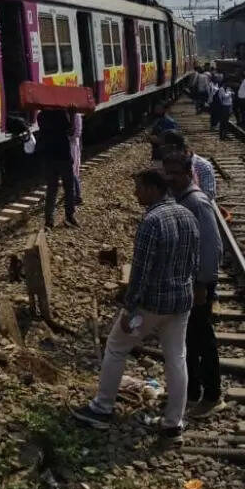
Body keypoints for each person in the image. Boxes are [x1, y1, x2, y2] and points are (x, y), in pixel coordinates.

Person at [71, 169, 198, 441]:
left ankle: (102, 408)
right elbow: (193, 263)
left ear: (154, 189)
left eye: (139, 187)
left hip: (152, 303)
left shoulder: (152, 221)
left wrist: (130, 309)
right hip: (180, 301)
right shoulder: (188, 215)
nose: (135, 193)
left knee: (116, 347)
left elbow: (140, 270)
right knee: (177, 356)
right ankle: (173, 422)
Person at [162, 153, 225, 417]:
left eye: (176, 173)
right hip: (187, 282)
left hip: (199, 284)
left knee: (203, 337)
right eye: (168, 173)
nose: (171, 178)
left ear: (189, 172)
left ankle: (212, 395)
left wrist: (202, 284)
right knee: (190, 338)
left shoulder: (197, 203)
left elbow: (213, 248)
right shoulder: (181, 199)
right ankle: (192, 391)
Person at [35, 108, 79, 229]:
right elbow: (70, 132)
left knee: (51, 190)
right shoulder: (61, 113)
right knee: (69, 188)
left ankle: (49, 221)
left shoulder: (41, 116)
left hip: (49, 157)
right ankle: (69, 216)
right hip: (63, 156)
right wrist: (72, 114)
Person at [160, 131, 217, 202]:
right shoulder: (167, 164)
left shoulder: (203, 165)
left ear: (175, 148)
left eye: (166, 149)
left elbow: (209, 193)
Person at [70, 111, 84, 205]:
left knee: (73, 171)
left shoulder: (77, 115)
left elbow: (77, 133)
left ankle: (78, 195)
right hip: (70, 145)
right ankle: (73, 193)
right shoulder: (67, 114)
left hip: (73, 145)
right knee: (72, 171)